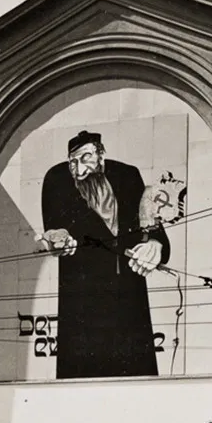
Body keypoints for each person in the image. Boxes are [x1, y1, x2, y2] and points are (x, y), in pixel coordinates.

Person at [38, 130, 171, 379]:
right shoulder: (57, 178)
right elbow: (54, 226)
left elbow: (150, 224)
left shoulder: (127, 175)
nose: (79, 167)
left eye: (86, 158)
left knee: (134, 378)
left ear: (100, 154)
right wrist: (58, 239)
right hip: (84, 299)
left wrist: (155, 243)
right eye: (73, 161)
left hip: (127, 294)